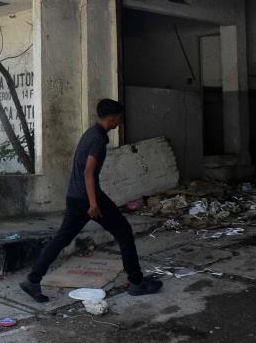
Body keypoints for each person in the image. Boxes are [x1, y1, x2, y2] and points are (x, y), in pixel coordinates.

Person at [20, 98, 162, 302]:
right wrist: (94, 204)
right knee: (124, 232)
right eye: (118, 119)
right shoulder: (98, 139)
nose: (119, 123)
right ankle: (137, 283)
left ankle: (32, 279)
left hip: (75, 196)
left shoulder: (91, 133)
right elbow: (89, 172)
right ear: (112, 119)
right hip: (88, 198)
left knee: (62, 238)